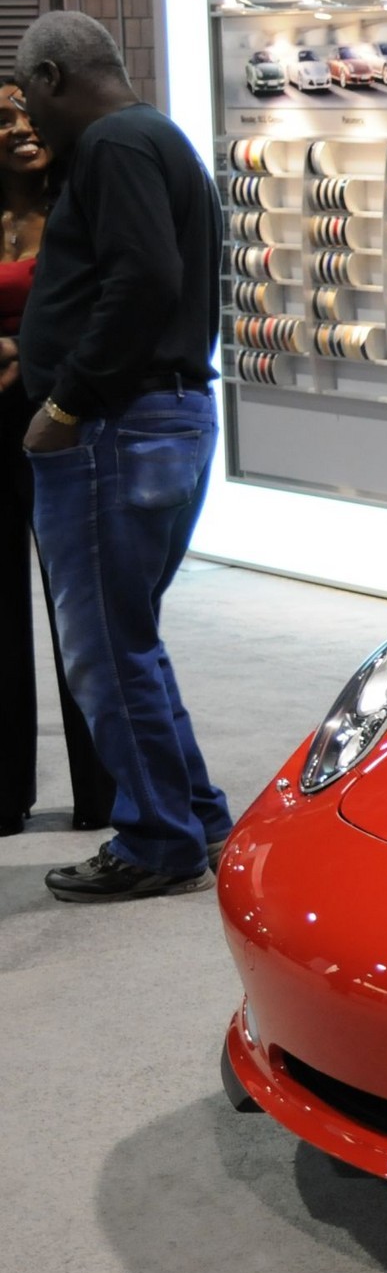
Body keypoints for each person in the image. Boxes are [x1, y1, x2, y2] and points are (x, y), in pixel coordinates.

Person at [13, 10, 229, 901]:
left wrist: (66, 401)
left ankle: (158, 839)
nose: (27, 116)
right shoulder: (153, 138)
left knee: (102, 649)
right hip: (154, 423)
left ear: (55, 78)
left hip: (117, 430)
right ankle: (193, 816)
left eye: (29, 95)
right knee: (126, 639)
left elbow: (143, 278)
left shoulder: (115, 146)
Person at [0, 80, 114, 834]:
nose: (21, 127)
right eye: (5, 118)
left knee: (81, 606)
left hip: (63, 414)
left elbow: (110, 299)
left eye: (28, 113)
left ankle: (105, 794)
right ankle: (6, 793)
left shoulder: (80, 202)